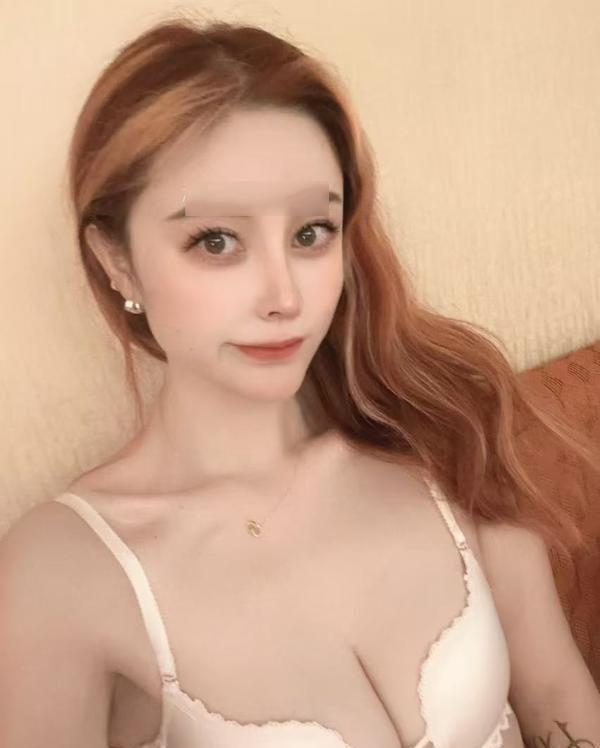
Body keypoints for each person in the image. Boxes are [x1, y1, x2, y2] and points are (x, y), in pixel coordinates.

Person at [2, 14, 600, 748]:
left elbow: (556, 695)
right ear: (116, 261)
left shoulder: (442, 427)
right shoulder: (60, 575)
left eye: (311, 233)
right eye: (216, 241)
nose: (284, 295)